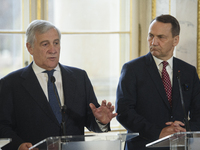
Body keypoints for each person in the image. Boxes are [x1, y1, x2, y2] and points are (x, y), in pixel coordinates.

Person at [0, 20, 117, 150]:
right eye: (45, 44)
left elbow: (91, 120)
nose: (53, 50)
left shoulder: (79, 77)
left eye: (56, 43)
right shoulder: (10, 83)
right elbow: (2, 126)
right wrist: (19, 145)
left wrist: (100, 121)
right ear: (30, 48)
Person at [115, 14, 200, 150]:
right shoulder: (132, 69)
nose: (153, 42)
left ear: (175, 40)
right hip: (142, 146)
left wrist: (186, 131)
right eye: (151, 36)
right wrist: (158, 132)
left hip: (180, 146)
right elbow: (123, 112)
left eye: (161, 37)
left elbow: (198, 111)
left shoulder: (188, 71)